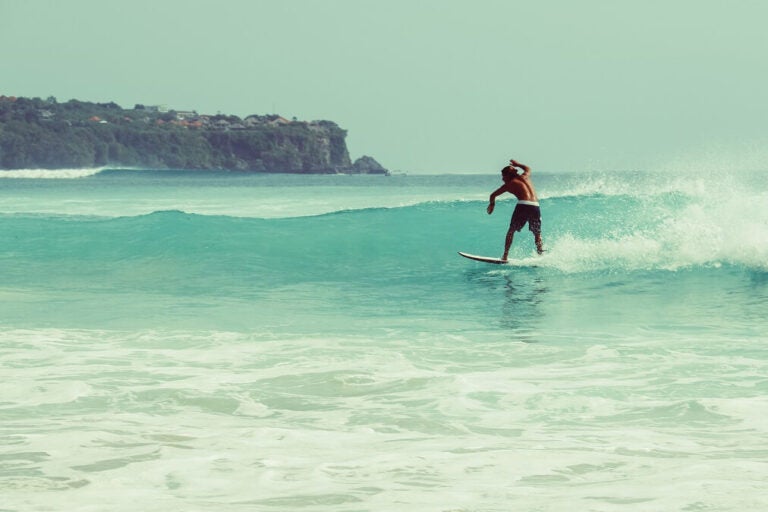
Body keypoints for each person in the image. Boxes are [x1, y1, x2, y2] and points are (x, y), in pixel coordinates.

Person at [486, 158, 544, 260]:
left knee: (511, 231)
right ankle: (541, 255)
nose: (502, 179)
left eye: (503, 176)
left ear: (508, 175)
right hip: (535, 205)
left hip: (523, 205)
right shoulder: (525, 177)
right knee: (537, 233)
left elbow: (493, 195)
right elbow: (527, 168)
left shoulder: (509, 184)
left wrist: (492, 205)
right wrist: (517, 164)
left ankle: (505, 256)